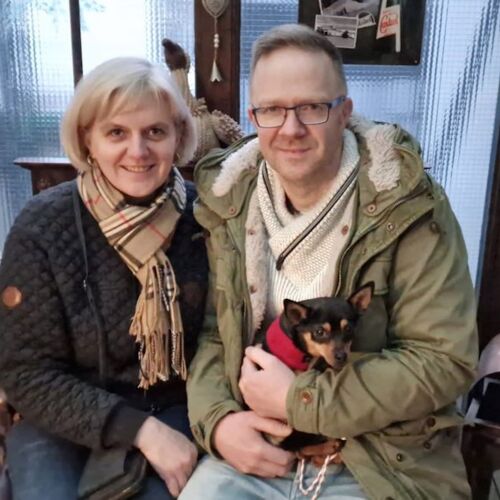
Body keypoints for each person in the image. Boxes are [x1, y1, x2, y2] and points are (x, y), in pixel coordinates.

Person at [180, 24, 478, 499]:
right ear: (254, 118)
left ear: (344, 112)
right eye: (273, 110)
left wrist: (299, 400)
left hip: (378, 457)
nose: (291, 129)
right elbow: (218, 333)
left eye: (312, 107)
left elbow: (442, 360)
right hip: (258, 443)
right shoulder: (231, 203)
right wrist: (218, 423)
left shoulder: (409, 207)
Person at [0, 57, 208, 499]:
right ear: (87, 140)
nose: (138, 151)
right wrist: (138, 429)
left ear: (178, 137)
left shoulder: (206, 218)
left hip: (176, 408)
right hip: (59, 418)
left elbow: (221, 344)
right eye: (116, 133)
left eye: (155, 131)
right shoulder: (43, 226)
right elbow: (25, 370)